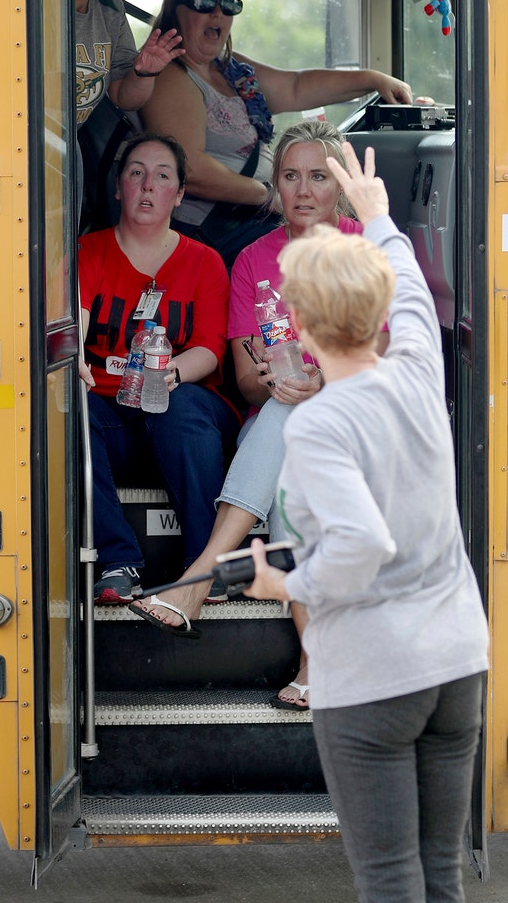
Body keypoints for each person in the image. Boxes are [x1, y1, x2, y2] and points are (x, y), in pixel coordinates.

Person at [243, 142, 489, 903]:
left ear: (305, 323)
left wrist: (281, 581)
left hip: (376, 672)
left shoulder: (319, 425)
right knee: (439, 873)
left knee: (387, 879)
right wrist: (378, 217)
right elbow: (413, 292)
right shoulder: (419, 372)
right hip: (457, 662)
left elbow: (358, 545)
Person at [128, 121, 385, 705]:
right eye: (290, 176)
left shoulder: (364, 246)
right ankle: (314, 666)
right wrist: (276, 382)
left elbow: (385, 356)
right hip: (287, 429)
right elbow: (245, 384)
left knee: (300, 428)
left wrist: (327, 375)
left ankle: (203, 575)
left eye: (318, 177)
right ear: (275, 184)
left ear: (337, 187)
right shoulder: (251, 261)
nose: (303, 190)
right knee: (292, 444)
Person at [141, 0, 418, 266]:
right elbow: (188, 170)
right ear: (176, 11)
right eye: (204, 3)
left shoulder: (230, 68)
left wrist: (374, 80)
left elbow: (296, 87)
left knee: (353, 244)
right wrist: (267, 195)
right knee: (337, 258)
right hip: (216, 232)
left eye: (229, 5)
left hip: (254, 217)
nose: (218, 13)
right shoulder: (171, 77)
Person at [77, 134, 240, 606]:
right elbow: (79, 321)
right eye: (136, 173)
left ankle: (205, 567)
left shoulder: (205, 261)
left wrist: (169, 375)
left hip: (183, 418)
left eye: (162, 176)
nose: (148, 186)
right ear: (118, 187)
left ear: (180, 194)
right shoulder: (88, 252)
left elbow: (211, 347)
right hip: (111, 415)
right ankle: (117, 562)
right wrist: (78, 366)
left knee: (181, 404)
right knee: (71, 407)